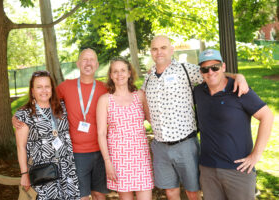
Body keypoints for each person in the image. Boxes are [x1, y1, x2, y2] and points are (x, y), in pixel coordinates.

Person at [142, 35, 249, 200]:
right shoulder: (148, 78)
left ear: (171, 50)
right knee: (170, 192)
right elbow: (143, 100)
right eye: (155, 49)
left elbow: (215, 75)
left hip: (184, 144)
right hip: (160, 146)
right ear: (151, 52)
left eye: (163, 48)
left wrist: (238, 76)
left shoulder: (185, 70)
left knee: (193, 192)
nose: (159, 52)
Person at [13, 48, 109, 200]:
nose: (44, 90)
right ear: (78, 63)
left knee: (96, 194)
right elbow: (21, 145)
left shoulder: (104, 89)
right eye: (84, 59)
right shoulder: (64, 87)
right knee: (82, 196)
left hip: (80, 160)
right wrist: (17, 115)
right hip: (61, 161)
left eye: (92, 60)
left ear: (97, 64)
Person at [194, 49, 274, 200]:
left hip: (238, 170)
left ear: (223, 67)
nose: (210, 72)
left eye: (215, 67)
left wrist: (255, 155)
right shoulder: (198, 91)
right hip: (208, 169)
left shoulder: (239, 89)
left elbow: (267, 116)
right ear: (201, 72)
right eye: (205, 69)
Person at [15, 70, 80, 200]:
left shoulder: (62, 108)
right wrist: (24, 174)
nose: (43, 90)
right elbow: (20, 147)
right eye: (39, 87)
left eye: (47, 86)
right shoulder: (24, 115)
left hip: (67, 168)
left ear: (52, 88)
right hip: (43, 171)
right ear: (32, 90)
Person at [97, 58, 154, 200]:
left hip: (141, 157)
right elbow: (101, 133)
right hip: (118, 159)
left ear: (129, 73)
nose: (119, 74)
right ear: (111, 75)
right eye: (115, 71)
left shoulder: (140, 96)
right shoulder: (105, 100)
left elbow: (153, 121)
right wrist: (107, 162)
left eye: (123, 70)